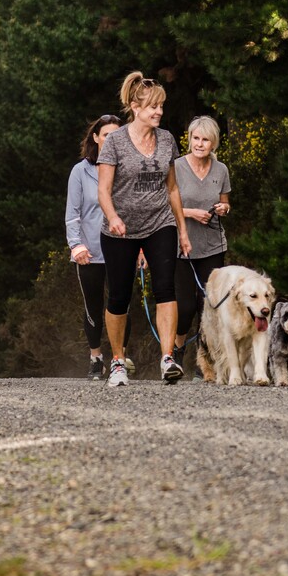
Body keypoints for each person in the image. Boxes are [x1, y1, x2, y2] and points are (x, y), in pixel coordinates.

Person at [96, 71, 191, 387]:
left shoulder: (167, 140)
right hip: (120, 230)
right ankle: (118, 362)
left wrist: (182, 229)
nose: (159, 112)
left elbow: (173, 188)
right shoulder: (115, 143)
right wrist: (112, 217)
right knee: (120, 297)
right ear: (135, 107)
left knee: (166, 288)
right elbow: (103, 190)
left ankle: (167, 359)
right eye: (153, 107)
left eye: (161, 106)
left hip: (159, 223)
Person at [66, 113, 123, 380]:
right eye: (107, 135)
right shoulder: (81, 171)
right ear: (96, 138)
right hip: (90, 250)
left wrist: (142, 247)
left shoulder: (125, 168)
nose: (113, 140)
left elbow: (134, 209)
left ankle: (119, 359)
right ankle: (95, 357)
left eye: (117, 135)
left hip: (122, 246)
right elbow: (73, 212)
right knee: (93, 305)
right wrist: (76, 245)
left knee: (119, 303)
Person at [172, 115, 232, 352]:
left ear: (213, 143)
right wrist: (190, 213)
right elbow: (164, 206)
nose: (199, 144)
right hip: (182, 246)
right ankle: (177, 350)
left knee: (208, 305)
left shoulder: (221, 169)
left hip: (212, 246)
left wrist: (223, 208)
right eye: (195, 138)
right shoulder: (176, 167)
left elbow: (225, 202)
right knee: (185, 307)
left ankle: (204, 359)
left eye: (205, 140)